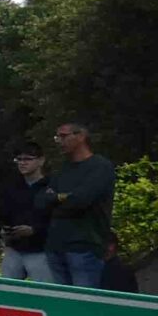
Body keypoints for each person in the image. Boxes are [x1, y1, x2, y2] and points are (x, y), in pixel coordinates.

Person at [39, 118, 116, 288]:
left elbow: (82, 200)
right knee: (61, 303)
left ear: (80, 136)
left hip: (85, 245)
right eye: (57, 138)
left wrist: (57, 198)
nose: (59, 142)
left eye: (63, 136)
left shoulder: (100, 167)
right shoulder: (62, 169)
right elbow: (43, 201)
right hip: (55, 245)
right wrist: (64, 197)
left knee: (83, 302)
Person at [0, 143, 56, 281]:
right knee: (7, 291)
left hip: (42, 251)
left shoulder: (52, 187)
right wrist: (2, 231)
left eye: (28, 159)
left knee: (45, 293)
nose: (22, 163)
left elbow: (58, 220)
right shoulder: (11, 187)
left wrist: (34, 230)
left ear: (41, 160)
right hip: (14, 249)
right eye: (19, 159)